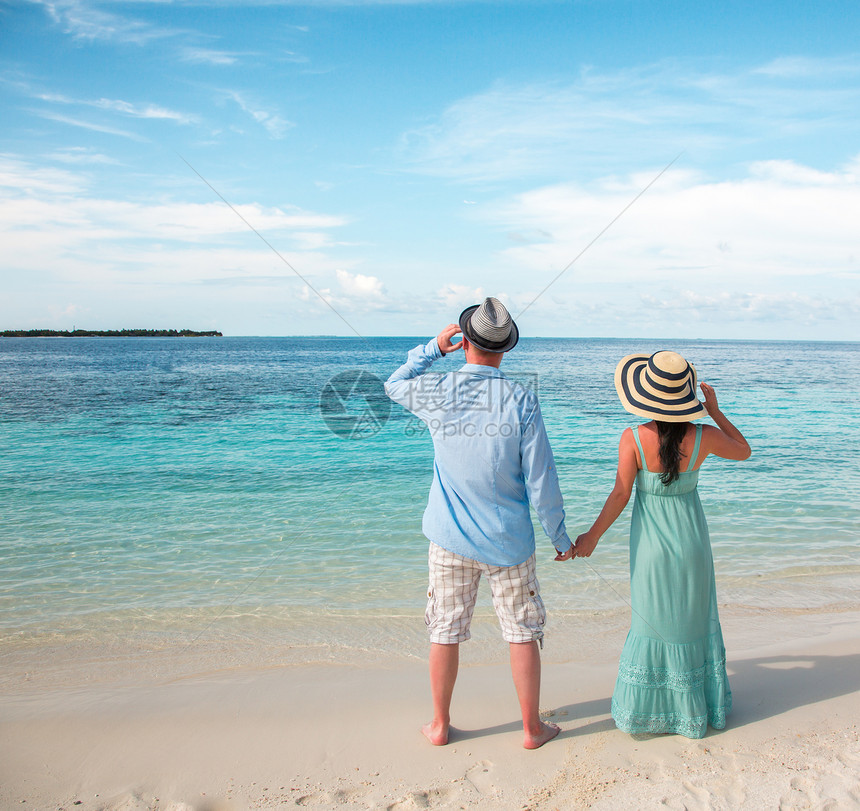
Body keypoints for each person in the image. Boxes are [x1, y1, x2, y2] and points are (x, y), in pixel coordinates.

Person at [385, 297, 574, 749]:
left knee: (444, 632)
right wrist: (560, 536)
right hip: (509, 543)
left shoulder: (438, 391)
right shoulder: (521, 398)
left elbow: (394, 383)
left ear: (464, 341)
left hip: (449, 540)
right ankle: (532, 729)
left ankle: (439, 725)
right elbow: (541, 479)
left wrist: (433, 348)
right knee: (522, 633)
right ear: (504, 349)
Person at [573, 350, 750, 738]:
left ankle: (655, 712)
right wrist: (715, 412)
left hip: (651, 550)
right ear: (685, 398)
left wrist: (592, 537)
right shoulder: (705, 436)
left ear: (646, 396)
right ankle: (694, 711)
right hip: (693, 546)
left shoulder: (633, 437)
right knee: (692, 621)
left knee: (652, 623)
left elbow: (620, 494)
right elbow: (744, 450)